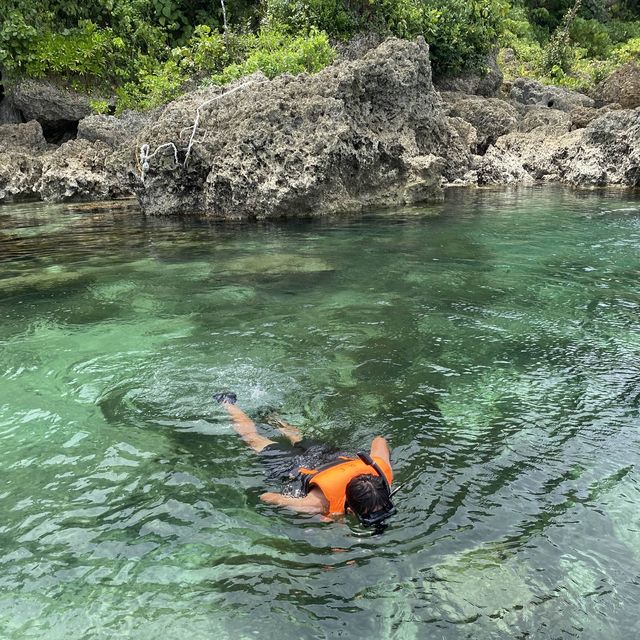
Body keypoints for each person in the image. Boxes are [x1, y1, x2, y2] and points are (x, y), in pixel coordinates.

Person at [214, 391, 397, 530]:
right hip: (297, 466)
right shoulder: (316, 504)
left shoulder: (381, 469)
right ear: (350, 511)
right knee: (254, 441)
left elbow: (379, 440)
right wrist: (332, 516)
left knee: (297, 437)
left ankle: (272, 416)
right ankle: (227, 402)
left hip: (326, 455)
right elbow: (267, 497)